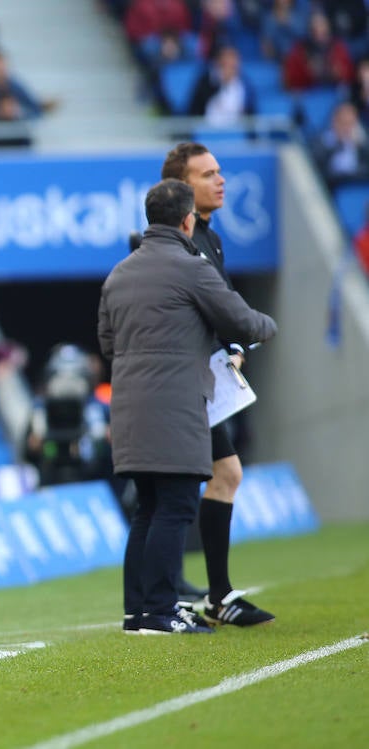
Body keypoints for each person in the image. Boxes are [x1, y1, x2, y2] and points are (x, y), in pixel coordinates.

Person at [98, 179, 276, 635]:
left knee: (148, 507)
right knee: (176, 504)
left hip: (129, 405)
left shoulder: (118, 274)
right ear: (186, 220)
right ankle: (161, 611)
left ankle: (138, 612)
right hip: (176, 404)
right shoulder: (191, 268)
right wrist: (267, 326)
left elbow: (107, 343)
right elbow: (241, 321)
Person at [161, 142, 277, 626]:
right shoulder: (181, 243)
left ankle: (205, 593)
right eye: (207, 174)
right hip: (185, 380)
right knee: (192, 484)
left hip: (207, 376)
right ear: (183, 188)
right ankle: (178, 598)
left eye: (219, 171)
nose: (220, 180)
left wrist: (234, 346)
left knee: (221, 475)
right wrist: (247, 332)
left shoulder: (210, 236)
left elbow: (219, 305)